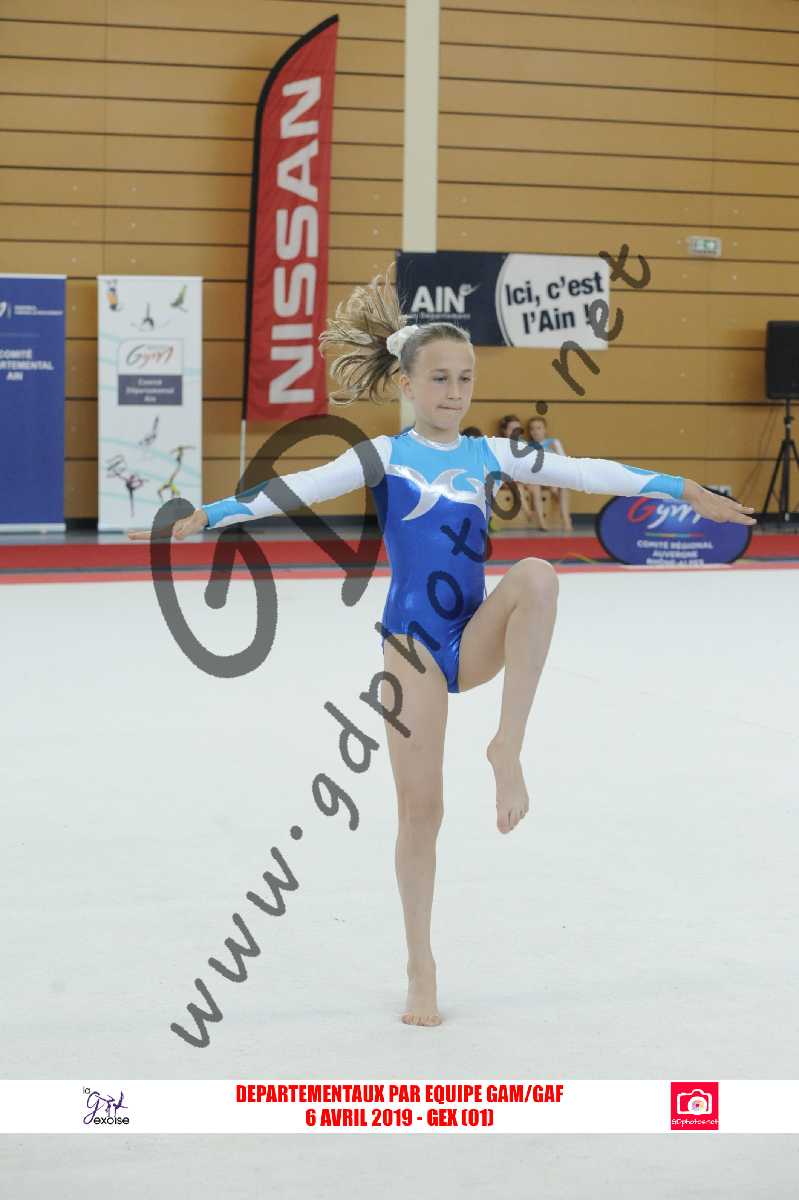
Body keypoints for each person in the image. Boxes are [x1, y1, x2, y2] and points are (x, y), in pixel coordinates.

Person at [127, 269, 756, 1028]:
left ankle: (506, 745)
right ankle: (419, 963)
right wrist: (209, 515)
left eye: (465, 379)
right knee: (421, 810)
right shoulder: (383, 456)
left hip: (473, 634)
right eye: (439, 379)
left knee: (537, 574)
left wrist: (682, 488)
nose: (454, 392)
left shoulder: (491, 453)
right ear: (407, 383)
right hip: (412, 650)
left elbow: (590, 472)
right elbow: (293, 490)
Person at [525, 414, 572, 531]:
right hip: (537, 477)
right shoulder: (528, 446)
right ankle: (541, 521)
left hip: (552, 474)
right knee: (535, 488)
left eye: (539, 428)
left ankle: (566, 519)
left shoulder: (553, 442)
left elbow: (563, 460)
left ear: (545, 430)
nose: (535, 431)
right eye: (532, 429)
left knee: (563, 486)